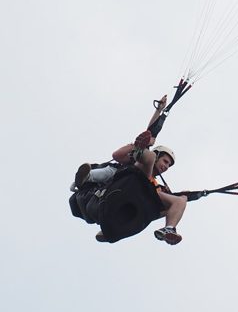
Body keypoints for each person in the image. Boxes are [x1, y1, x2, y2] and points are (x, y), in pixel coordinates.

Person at [77, 95, 189, 245]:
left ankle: (168, 229)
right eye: (165, 161)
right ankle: (87, 177)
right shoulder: (147, 160)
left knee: (181, 200)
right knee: (146, 157)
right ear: (158, 156)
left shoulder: (158, 185)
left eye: (169, 165)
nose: (166, 167)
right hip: (129, 179)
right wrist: (159, 111)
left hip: (141, 196)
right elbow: (150, 133)